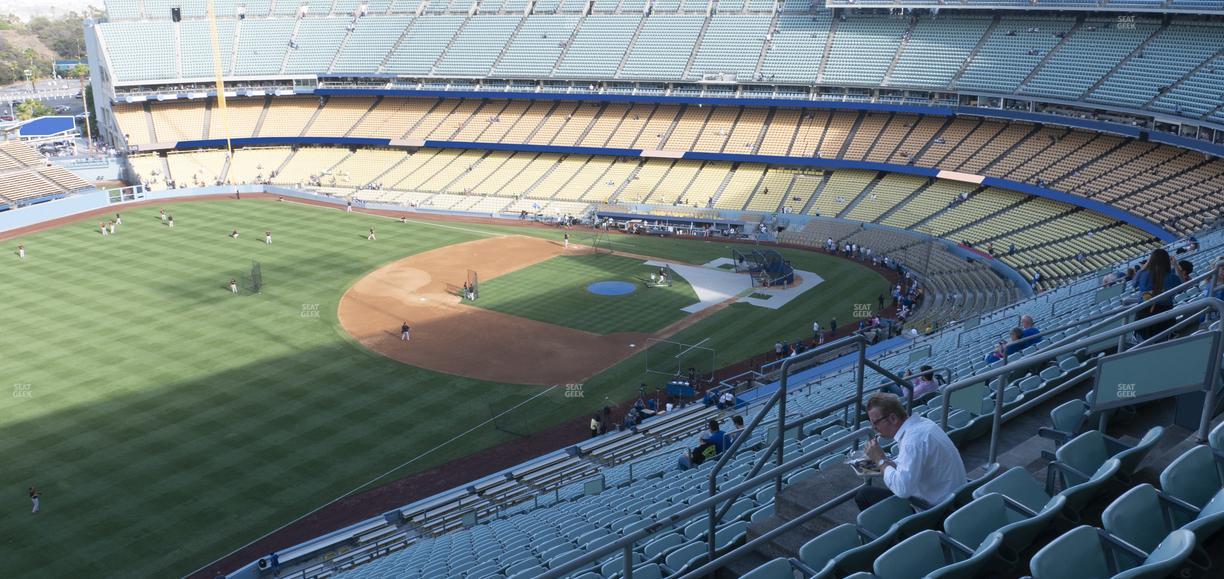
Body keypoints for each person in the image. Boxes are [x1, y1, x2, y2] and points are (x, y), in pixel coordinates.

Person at [856, 393, 966, 510]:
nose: (873, 428)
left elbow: (902, 490)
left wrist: (880, 460)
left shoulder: (911, 442)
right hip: (958, 496)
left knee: (863, 495)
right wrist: (884, 462)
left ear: (893, 418)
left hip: (939, 508)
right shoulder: (923, 423)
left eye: (875, 422)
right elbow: (912, 462)